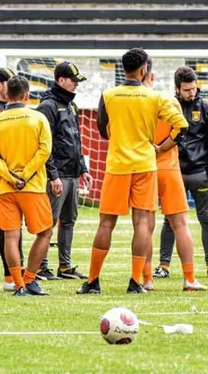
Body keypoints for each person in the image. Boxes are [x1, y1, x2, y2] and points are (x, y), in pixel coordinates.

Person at [78, 48, 187, 295]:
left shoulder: (108, 95)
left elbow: (103, 131)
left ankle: (93, 281)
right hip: (146, 165)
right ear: (144, 70)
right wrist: (160, 148)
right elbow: (182, 126)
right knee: (142, 223)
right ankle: (136, 281)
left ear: (123, 69)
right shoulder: (155, 98)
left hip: (117, 165)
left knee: (106, 223)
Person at [0, 76, 56, 296]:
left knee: (11, 236)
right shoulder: (38, 118)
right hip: (32, 186)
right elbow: (45, 150)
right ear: (26, 95)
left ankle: (18, 284)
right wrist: (25, 175)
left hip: (6, 187)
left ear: (6, 94)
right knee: (45, 233)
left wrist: (10, 176)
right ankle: (30, 279)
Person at [156, 66, 208, 280]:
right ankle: (163, 266)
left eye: (194, 89)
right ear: (177, 89)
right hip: (175, 173)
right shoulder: (168, 107)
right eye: (187, 90)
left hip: (199, 172)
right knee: (170, 219)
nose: (192, 93)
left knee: (206, 218)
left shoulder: (205, 108)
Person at [146, 77, 207, 292]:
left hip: (146, 166)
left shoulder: (135, 102)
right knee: (180, 224)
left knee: (145, 224)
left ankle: (146, 279)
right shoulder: (168, 101)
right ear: (151, 76)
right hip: (169, 168)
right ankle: (189, 279)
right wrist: (163, 148)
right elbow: (181, 129)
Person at [35, 61, 90, 281]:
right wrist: (53, 175)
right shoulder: (47, 106)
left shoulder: (71, 105)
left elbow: (76, 139)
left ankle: (65, 266)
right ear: (61, 80)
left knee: (69, 220)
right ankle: (41, 266)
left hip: (72, 173)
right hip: (57, 176)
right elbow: (43, 144)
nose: (76, 85)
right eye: (73, 81)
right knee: (49, 221)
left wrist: (83, 168)